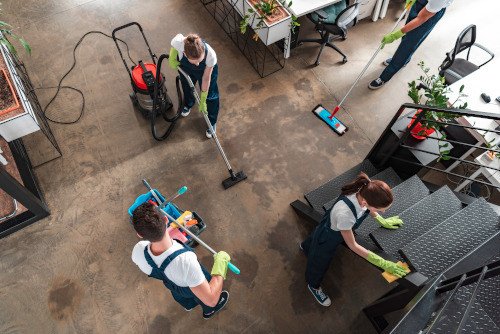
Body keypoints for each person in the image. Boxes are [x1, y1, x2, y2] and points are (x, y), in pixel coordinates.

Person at [300, 172, 408, 306]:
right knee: (320, 260)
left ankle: (306, 247)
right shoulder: (346, 215)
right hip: (330, 236)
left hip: (334, 222)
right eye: (381, 210)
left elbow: (369, 208)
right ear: (365, 202)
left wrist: (382, 220)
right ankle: (313, 285)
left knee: (316, 237)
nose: (383, 212)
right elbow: (353, 245)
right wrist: (383, 263)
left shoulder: (364, 189)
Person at [131, 202, 230, 319]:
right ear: (166, 219)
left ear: (140, 234)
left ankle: (188, 305)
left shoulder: (138, 250)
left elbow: (157, 252)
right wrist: (220, 266)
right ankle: (209, 312)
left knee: (180, 293)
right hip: (189, 284)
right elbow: (211, 299)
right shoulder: (186, 261)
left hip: (172, 284)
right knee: (202, 295)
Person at [368, 0, 453, 90]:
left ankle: (385, 76)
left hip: (430, 13)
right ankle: (405, 60)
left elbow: (421, 18)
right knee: (407, 37)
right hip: (423, 4)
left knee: (408, 45)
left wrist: (395, 35)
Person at [168, 33, 220, 138]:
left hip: (206, 71)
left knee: (210, 94)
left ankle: (212, 121)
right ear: (185, 54)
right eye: (195, 61)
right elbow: (173, 45)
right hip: (186, 67)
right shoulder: (179, 43)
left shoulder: (211, 55)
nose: (197, 64)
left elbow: (206, 79)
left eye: (199, 61)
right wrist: (172, 58)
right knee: (187, 85)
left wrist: (203, 98)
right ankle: (188, 103)